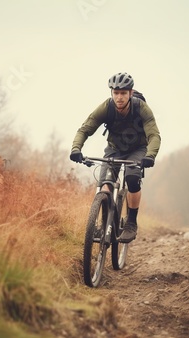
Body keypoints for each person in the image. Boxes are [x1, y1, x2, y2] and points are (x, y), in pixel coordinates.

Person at [69, 72, 161, 243]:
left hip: (138, 149)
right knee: (105, 185)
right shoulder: (107, 107)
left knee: (132, 178)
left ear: (130, 93)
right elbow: (85, 129)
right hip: (114, 149)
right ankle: (103, 222)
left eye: (123, 93)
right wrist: (76, 149)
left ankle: (131, 222)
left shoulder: (141, 108)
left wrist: (150, 156)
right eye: (116, 93)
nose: (119, 97)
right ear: (111, 93)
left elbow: (154, 135)